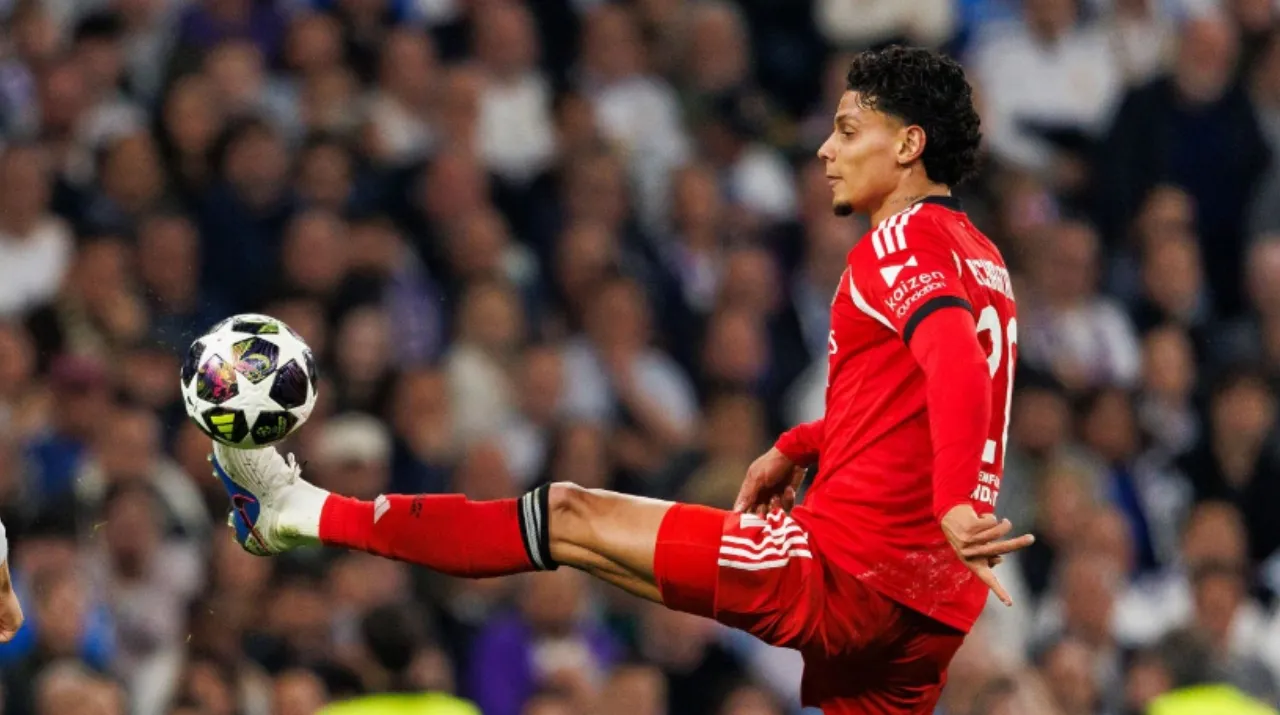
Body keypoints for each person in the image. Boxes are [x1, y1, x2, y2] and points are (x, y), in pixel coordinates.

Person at [210, 46, 1034, 714]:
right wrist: (799, 443)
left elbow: (953, 359)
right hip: (931, 607)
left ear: (908, 144)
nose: (825, 149)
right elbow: (919, 395)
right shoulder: (985, 259)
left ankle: (296, 511)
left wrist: (957, 499)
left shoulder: (900, 243)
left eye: (849, 129)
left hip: (843, 570)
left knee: (567, 515)